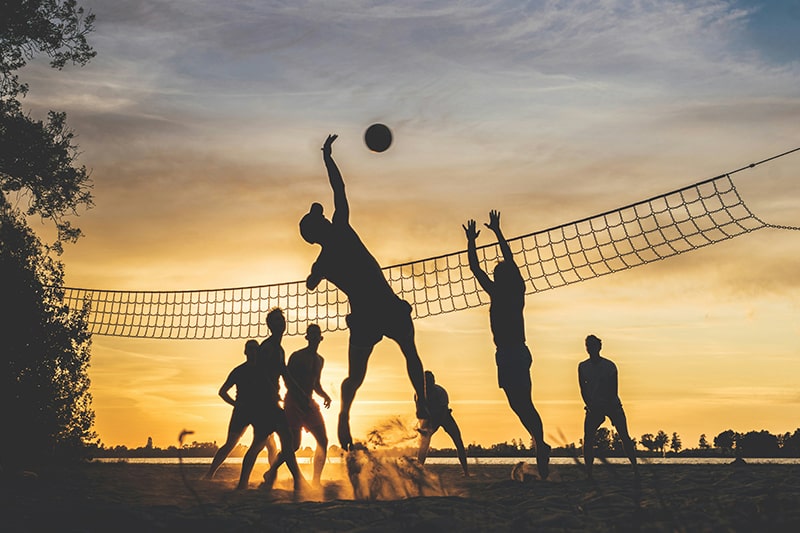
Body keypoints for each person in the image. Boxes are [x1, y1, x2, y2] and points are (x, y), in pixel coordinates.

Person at [299, 134, 428, 450]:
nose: (326, 215)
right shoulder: (340, 228)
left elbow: (310, 284)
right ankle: (422, 402)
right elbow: (338, 189)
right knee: (409, 352)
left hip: (364, 316)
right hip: (383, 305)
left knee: (356, 378)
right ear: (321, 227)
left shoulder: (323, 260)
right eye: (321, 217)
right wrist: (327, 157)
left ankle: (344, 415)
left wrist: (316, 273)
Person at [463, 210, 551, 479]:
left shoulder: (508, 291)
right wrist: (489, 235)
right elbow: (482, 268)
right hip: (508, 353)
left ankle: (541, 444)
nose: (494, 273)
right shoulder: (507, 291)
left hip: (513, 351)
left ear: (502, 277)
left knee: (523, 401)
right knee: (519, 403)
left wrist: (477, 239)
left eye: (496, 272)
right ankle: (540, 442)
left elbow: (481, 267)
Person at [237, 308, 308, 491]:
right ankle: (244, 483)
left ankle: (296, 481)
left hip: (271, 403)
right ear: (270, 325)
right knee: (261, 444)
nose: (280, 323)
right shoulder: (267, 348)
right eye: (276, 321)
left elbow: (285, 375)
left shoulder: (279, 349)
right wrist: (269, 391)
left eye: (281, 320)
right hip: (264, 403)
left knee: (285, 441)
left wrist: (300, 394)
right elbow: (259, 373)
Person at [264, 323, 332, 487]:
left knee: (323, 441)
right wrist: (297, 397)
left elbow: (316, 384)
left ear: (321, 338)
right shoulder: (297, 356)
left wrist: (325, 395)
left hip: (309, 402)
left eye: (317, 334)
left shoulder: (320, 360)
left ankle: (316, 480)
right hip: (294, 402)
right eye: (312, 334)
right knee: (294, 445)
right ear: (307, 337)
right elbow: (288, 379)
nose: (315, 337)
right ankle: (271, 471)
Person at [203, 339, 265, 481]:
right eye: (250, 349)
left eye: (256, 349)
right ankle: (210, 474)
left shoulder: (264, 370)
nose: (253, 352)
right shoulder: (239, 371)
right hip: (242, 411)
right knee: (230, 444)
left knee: (269, 442)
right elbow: (222, 391)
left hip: (260, 411)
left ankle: (272, 475)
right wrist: (236, 404)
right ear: (245, 351)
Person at [578, 334, 638, 479]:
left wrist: (606, 406)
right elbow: (583, 389)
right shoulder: (583, 366)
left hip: (612, 404)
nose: (590, 348)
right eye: (588, 346)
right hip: (593, 406)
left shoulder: (609, 366)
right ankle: (589, 473)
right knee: (588, 438)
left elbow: (613, 390)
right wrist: (590, 405)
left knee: (624, 435)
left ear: (599, 347)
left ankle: (635, 468)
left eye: (593, 345)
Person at [416, 371, 469, 477]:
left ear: (434, 381)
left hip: (445, 417)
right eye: (427, 382)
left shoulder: (440, 392)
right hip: (429, 419)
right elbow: (420, 412)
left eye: (431, 381)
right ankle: (419, 470)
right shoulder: (418, 395)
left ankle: (466, 471)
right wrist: (423, 428)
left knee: (458, 440)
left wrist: (434, 427)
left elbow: (444, 412)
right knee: (424, 443)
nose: (430, 384)